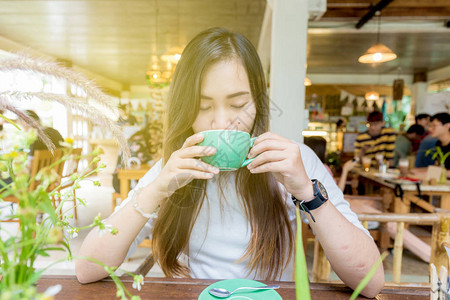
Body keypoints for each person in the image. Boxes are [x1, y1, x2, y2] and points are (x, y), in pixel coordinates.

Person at [75, 28, 384, 297]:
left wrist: (306, 192)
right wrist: (156, 190)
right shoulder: (171, 170)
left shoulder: (295, 162)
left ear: (259, 103)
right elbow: (87, 270)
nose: (222, 121)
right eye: (203, 106)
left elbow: (369, 282)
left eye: (238, 104)